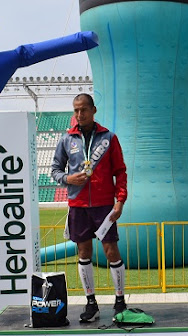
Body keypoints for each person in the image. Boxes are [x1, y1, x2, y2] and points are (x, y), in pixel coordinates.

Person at [51, 93, 128, 322]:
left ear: (93, 110)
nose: (79, 114)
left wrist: (120, 200)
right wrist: (68, 179)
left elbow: (120, 172)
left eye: (83, 109)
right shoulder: (67, 139)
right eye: (75, 110)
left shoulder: (109, 138)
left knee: (111, 251)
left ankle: (120, 300)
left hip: (104, 206)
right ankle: (91, 302)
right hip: (78, 206)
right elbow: (55, 169)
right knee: (83, 252)